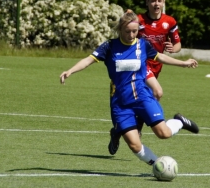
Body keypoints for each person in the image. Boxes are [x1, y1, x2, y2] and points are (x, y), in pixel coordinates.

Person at [60, 11, 199, 168]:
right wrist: (70, 71)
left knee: (164, 133)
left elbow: (160, 57)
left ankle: (179, 122)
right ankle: (158, 166)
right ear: (120, 29)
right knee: (134, 144)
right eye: (128, 31)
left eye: (135, 31)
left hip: (142, 97)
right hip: (121, 103)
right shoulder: (110, 46)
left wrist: (183, 63)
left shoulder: (143, 45)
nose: (132, 35)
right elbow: (88, 60)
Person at [108, 0, 182, 155]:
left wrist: (173, 48)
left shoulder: (169, 22)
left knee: (143, 98)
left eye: (159, 0)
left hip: (156, 66)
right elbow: (126, 26)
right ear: (147, 2)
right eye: (153, 0)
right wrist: (126, 16)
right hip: (140, 66)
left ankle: (119, 131)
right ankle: (139, 128)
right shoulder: (139, 20)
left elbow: (178, 44)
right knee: (157, 92)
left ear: (164, 2)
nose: (156, 4)